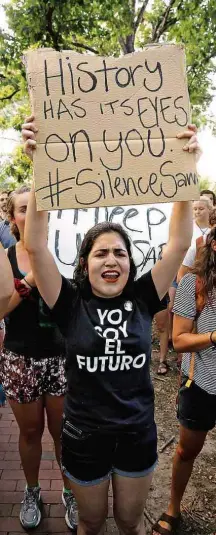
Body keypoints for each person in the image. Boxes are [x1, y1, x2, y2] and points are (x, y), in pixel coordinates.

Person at [22, 115, 199, 535]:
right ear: (85, 263)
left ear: (129, 262)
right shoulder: (68, 302)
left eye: (120, 253)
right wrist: (41, 166)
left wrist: (185, 168)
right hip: (83, 437)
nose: (112, 260)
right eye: (101, 253)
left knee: (128, 522)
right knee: (91, 521)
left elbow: (177, 242)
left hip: (137, 433)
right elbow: (35, 245)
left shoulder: (142, 295)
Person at [0, 185, 77, 530]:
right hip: (21, 359)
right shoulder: (5, 259)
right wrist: (30, 278)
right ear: (13, 218)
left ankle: (70, 491)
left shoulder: (67, 249)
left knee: (63, 432)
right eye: (22, 208)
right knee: (31, 433)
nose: (30, 213)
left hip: (60, 357)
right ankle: (32, 491)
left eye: (38, 206)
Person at [152, 227, 216, 535]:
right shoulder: (195, 283)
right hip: (202, 383)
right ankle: (173, 507)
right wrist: (214, 336)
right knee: (186, 451)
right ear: (214, 245)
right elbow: (178, 339)